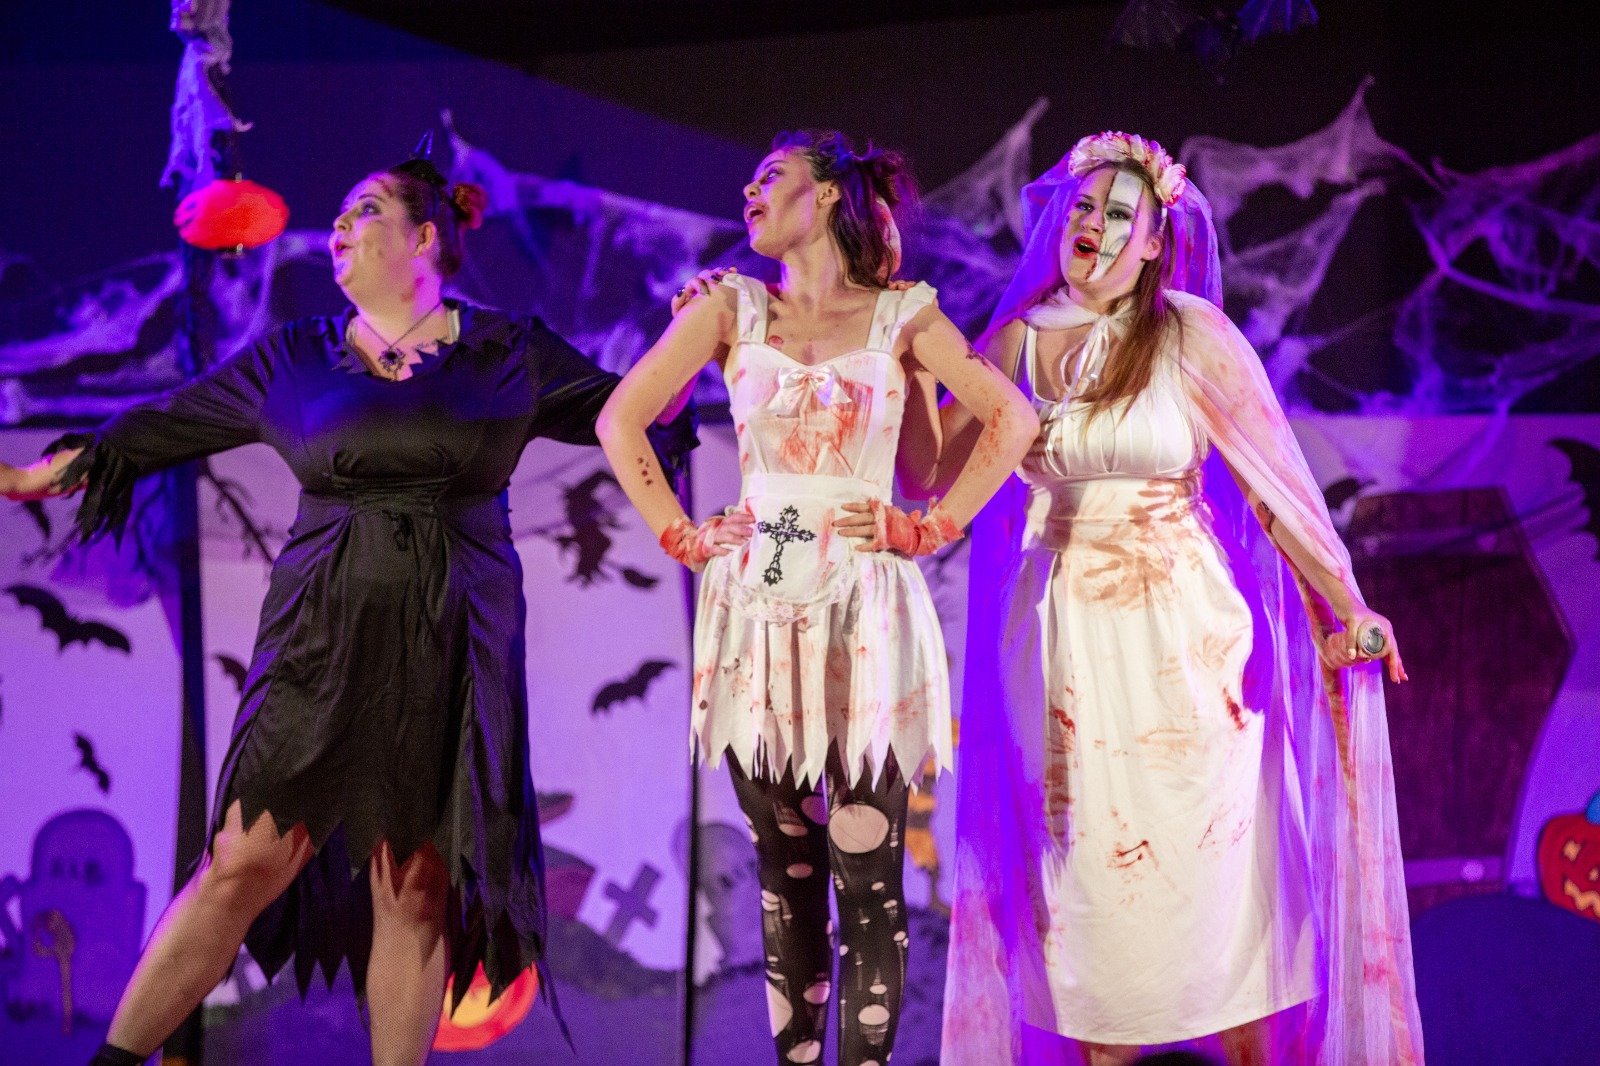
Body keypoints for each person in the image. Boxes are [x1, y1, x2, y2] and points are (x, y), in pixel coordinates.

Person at [2, 148, 692, 1066]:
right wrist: (30, 478)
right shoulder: (293, 358)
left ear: (424, 237)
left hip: (455, 639)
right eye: (337, 214)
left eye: (364, 210)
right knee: (241, 861)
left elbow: (635, 414)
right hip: (318, 639)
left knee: (414, 884)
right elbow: (157, 426)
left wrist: (689, 343)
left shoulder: (508, 352)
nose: (337, 226)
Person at [910, 133, 1423, 1065]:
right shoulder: (1018, 338)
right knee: (1088, 901)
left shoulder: (1190, 332)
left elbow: (1274, 481)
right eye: (1083, 206)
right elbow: (931, 469)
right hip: (1062, 639)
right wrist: (908, 359)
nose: (1094, 224)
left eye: (1120, 214)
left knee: (1219, 890)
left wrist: (1347, 603)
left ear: (1155, 241)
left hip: (1186, 645)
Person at [597, 129, 1038, 1066]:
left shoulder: (902, 314)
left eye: (772, 175)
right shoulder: (728, 305)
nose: (749, 192)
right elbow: (621, 417)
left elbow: (1010, 417)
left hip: (865, 609)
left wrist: (936, 526)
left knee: (868, 869)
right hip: (760, 608)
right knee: (784, 869)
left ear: (830, 193)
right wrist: (681, 533)